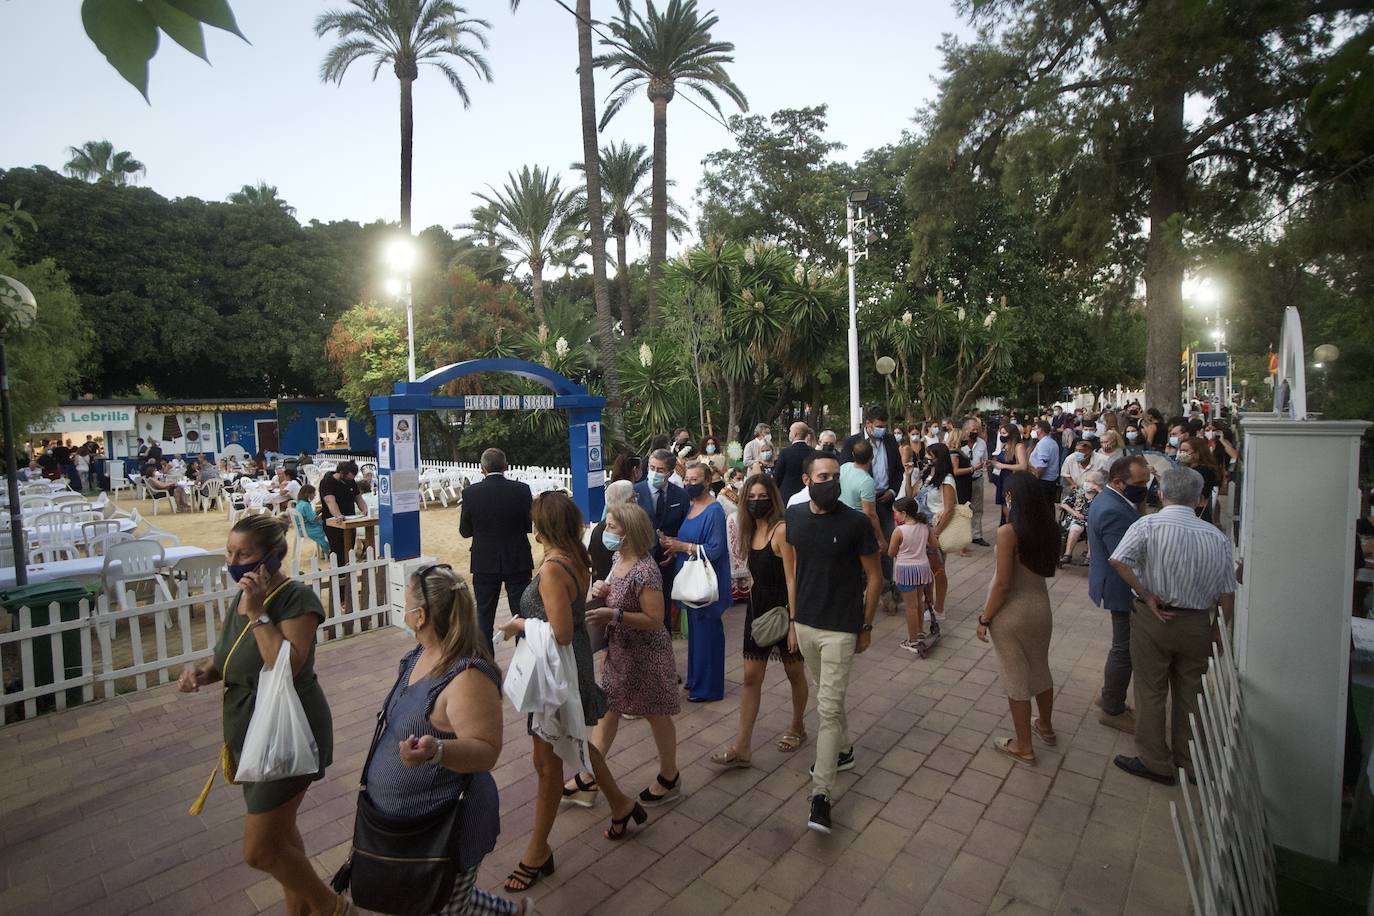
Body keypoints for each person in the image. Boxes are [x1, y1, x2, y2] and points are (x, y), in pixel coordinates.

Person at [178, 515, 342, 916]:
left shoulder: (296, 599)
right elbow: (231, 657)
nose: (233, 562)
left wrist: (257, 613)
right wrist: (204, 672)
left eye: (244, 554)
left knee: (260, 850)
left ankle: (333, 908)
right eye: (229, 552)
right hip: (251, 735)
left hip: (287, 733)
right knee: (281, 838)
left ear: (271, 556)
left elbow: (285, 665)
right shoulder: (243, 597)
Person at [497, 492, 646, 893]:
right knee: (573, 737)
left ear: (542, 526)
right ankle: (620, 804)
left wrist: (520, 626)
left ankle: (537, 851)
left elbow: (559, 632)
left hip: (556, 669)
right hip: (569, 661)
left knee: (547, 763)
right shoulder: (576, 557)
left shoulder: (552, 567)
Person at [370, 564, 525, 916]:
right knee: (441, 902)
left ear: (421, 615)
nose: (403, 608)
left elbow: (486, 752)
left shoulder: (467, 676)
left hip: (445, 828)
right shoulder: (418, 655)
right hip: (411, 828)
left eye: (406, 601)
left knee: (441, 904)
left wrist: (435, 750)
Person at [1109, 467, 1237, 785]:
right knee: (1192, 691)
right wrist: (1218, 630)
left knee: (1150, 689)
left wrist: (1145, 593)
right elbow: (1227, 592)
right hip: (1197, 621)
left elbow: (1118, 559)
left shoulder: (1148, 525)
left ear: (1162, 493)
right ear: (1199, 498)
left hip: (1155, 617)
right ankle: (1189, 760)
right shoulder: (1216, 537)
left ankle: (1154, 760)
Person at [783, 450, 882, 833]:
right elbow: (794, 572)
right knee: (829, 696)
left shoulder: (856, 523)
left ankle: (821, 795)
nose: (830, 482)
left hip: (841, 628)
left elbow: (874, 576)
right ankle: (843, 751)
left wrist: (866, 625)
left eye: (834, 476)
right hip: (807, 624)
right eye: (822, 477)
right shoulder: (794, 517)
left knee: (826, 708)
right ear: (806, 481)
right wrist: (793, 621)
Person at [563, 502, 682, 810]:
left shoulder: (645, 570)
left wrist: (613, 614)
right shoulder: (619, 558)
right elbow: (617, 595)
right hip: (621, 652)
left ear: (629, 532)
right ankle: (589, 778)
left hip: (647, 656)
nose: (606, 530)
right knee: (609, 711)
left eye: (613, 526)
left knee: (656, 714)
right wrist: (604, 591)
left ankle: (670, 777)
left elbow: (655, 620)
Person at [710, 474, 809, 767]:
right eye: (750, 497)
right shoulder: (749, 529)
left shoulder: (781, 530)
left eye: (762, 496)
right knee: (751, 678)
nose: (756, 502)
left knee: (794, 673)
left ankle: (798, 726)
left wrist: (794, 623)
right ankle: (742, 748)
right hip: (758, 610)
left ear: (772, 498)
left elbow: (792, 578)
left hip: (784, 610)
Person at [974, 471, 1059, 765]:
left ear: (1011, 497)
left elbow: (1003, 584)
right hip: (1041, 608)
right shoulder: (1049, 528)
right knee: (1040, 668)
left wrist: (985, 618)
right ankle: (1045, 726)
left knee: (1016, 679)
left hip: (1012, 613)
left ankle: (1024, 746)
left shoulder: (1009, 532)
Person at [1088, 455, 1152, 734]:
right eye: (1139, 483)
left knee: (1122, 647)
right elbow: (1122, 559)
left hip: (1118, 583)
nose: (1144, 488)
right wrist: (1144, 592)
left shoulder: (1115, 501)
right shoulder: (1113, 510)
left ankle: (1110, 696)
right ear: (1118, 482)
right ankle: (1112, 707)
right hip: (1120, 586)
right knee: (1123, 649)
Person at [661, 462, 731, 702]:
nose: (689, 484)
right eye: (687, 479)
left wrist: (683, 547)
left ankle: (708, 687)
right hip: (690, 582)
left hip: (705, 583)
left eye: (694, 480)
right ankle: (696, 679)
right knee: (696, 635)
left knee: (707, 634)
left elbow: (716, 549)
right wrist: (674, 548)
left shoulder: (714, 511)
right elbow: (689, 540)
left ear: (707, 482)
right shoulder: (692, 506)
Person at [459, 448, 534, 653]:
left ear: (481, 468)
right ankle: (524, 660)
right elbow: (528, 525)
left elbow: (465, 531)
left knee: (484, 616)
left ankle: (486, 663)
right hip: (517, 558)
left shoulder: (470, 493)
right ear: (506, 466)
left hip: (484, 561)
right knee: (521, 613)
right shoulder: (522, 490)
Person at [840, 406, 902, 589]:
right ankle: (861, 586)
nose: (882, 429)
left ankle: (887, 586)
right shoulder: (852, 442)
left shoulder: (890, 440)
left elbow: (898, 469)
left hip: (885, 500)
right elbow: (844, 471)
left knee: (886, 547)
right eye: (879, 426)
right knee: (861, 547)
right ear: (868, 424)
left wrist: (893, 491)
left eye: (884, 426)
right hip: (860, 505)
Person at [634, 449, 688, 636]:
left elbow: (685, 527)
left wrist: (676, 546)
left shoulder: (680, 496)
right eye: (652, 468)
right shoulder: (635, 492)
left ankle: (664, 641)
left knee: (664, 606)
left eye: (660, 470)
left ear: (670, 472)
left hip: (668, 561)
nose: (655, 473)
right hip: (640, 560)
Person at [888, 496, 936, 653]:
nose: (895, 515)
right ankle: (920, 632)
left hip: (906, 570)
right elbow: (935, 544)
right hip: (922, 568)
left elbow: (891, 552)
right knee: (919, 602)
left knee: (910, 607)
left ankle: (912, 640)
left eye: (896, 512)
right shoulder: (924, 527)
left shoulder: (899, 531)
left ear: (903, 513)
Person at [924, 443, 959, 620]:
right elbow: (911, 493)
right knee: (926, 569)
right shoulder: (927, 475)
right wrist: (908, 476)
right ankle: (928, 603)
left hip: (936, 527)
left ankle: (939, 608)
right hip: (922, 527)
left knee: (937, 569)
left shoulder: (946, 479)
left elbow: (949, 508)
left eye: (931, 456)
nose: (927, 459)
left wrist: (936, 532)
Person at [318, 460, 367, 571]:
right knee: (338, 552)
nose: (349, 481)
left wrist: (364, 509)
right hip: (333, 524)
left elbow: (358, 498)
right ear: (341, 473)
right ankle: (339, 576)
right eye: (348, 478)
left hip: (350, 522)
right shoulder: (327, 482)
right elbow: (330, 501)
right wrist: (338, 515)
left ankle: (349, 575)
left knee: (349, 550)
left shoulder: (351, 482)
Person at [590, 479, 637, 581]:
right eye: (634, 496)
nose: (636, 500)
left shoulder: (600, 528)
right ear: (628, 500)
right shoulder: (616, 528)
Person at [1058, 469, 1104, 566]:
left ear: (1097, 484)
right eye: (1086, 480)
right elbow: (1064, 504)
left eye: (1090, 481)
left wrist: (1099, 490)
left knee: (1092, 530)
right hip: (1077, 519)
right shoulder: (1079, 492)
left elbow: (1107, 504)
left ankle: (1089, 557)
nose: (1086, 483)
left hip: (1093, 521)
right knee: (1075, 528)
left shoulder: (1101, 495)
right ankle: (1067, 555)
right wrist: (1074, 513)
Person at [1176, 437, 1220, 523]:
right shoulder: (1188, 467)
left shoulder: (1204, 470)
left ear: (1198, 452)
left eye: (1186, 451)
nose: (1182, 454)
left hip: (1197, 510)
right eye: (1181, 451)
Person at [961, 418, 990, 547]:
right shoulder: (960, 443)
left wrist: (985, 465)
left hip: (977, 478)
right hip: (963, 480)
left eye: (977, 430)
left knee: (977, 508)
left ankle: (976, 535)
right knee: (963, 508)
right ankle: (963, 535)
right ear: (966, 430)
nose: (975, 432)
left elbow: (985, 459)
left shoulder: (981, 443)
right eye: (973, 429)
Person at [772, 421, 813, 504]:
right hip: (808, 494)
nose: (789, 433)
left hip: (787, 494)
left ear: (795, 434)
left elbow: (778, 475)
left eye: (790, 431)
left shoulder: (785, 452)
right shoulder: (813, 452)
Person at [1028, 419, 1061, 508]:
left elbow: (1042, 465)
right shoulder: (1051, 442)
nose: (1033, 431)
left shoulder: (1043, 444)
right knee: (1048, 506)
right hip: (1050, 481)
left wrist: (1034, 479)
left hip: (1043, 481)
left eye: (1035, 429)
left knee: (1042, 507)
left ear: (1040, 430)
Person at [293, 484, 331, 556]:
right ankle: (328, 550)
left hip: (301, 528)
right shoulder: (306, 505)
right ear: (308, 494)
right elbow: (313, 519)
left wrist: (319, 511)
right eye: (313, 493)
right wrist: (324, 514)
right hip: (309, 528)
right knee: (327, 530)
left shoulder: (300, 503)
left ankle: (324, 551)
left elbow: (309, 515)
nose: (315, 495)